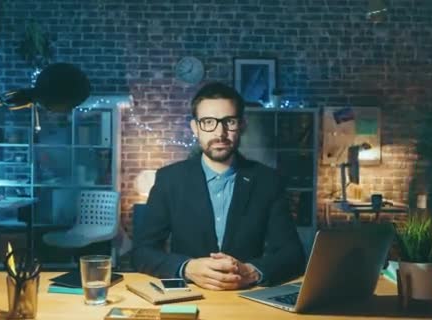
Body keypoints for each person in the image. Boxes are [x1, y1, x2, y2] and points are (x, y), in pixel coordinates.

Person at [131, 82, 306, 290]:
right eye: (208, 122)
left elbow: (292, 255)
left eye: (229, 121)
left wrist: (251, 271)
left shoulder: (268, 181)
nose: (220, 133)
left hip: (246, 299)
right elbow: (142, 252)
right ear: (195, 128)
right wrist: (187, 268)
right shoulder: (169, 179)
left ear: (242, 125)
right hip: (188, 295)